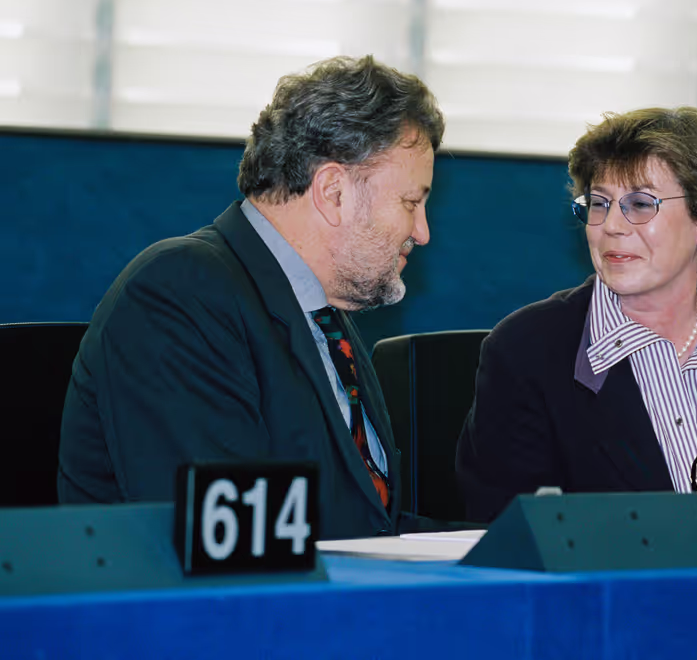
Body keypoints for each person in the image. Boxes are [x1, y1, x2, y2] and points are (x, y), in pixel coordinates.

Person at [59, 55, 444, 539]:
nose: (423, 232)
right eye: (411, 203)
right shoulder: (178, 294)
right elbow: (227, 539)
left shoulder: (321, 315)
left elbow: (368, 519)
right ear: (332, 191)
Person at [456, 107, 697, 523]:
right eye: (598, 203)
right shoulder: (526, 351)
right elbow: (509, 539)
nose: (611, 226)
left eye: (640, 204)